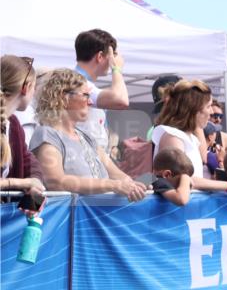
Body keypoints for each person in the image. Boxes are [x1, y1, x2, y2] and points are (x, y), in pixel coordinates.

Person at [28, 69, 146, 200]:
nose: (90, 102)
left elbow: (118, 176)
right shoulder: (46, 134)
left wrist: (136, 187)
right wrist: (113, 185)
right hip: (72, 218)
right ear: (63, 97)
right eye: (86, 95)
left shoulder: (87, 137)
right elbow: (56, 182)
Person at [151, 79, 227, 202]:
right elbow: (186, 179)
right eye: (208, 106)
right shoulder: (173, 137)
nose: (211, 112)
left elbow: (203, 159)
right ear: (194, 110)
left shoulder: (189, 136)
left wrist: (196, 124)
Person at [73, 29, 130, 154]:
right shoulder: (77, 83)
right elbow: (121, 101)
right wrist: (116, 69)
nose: (113, 59)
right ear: (100, 57)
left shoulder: (77, 81)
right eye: (111, 55)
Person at [1, 55, 44, 194]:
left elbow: (31, 166)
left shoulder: (13, 124)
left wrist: (34, 191)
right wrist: (19, 183)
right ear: (26, 88)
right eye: (34, 87)